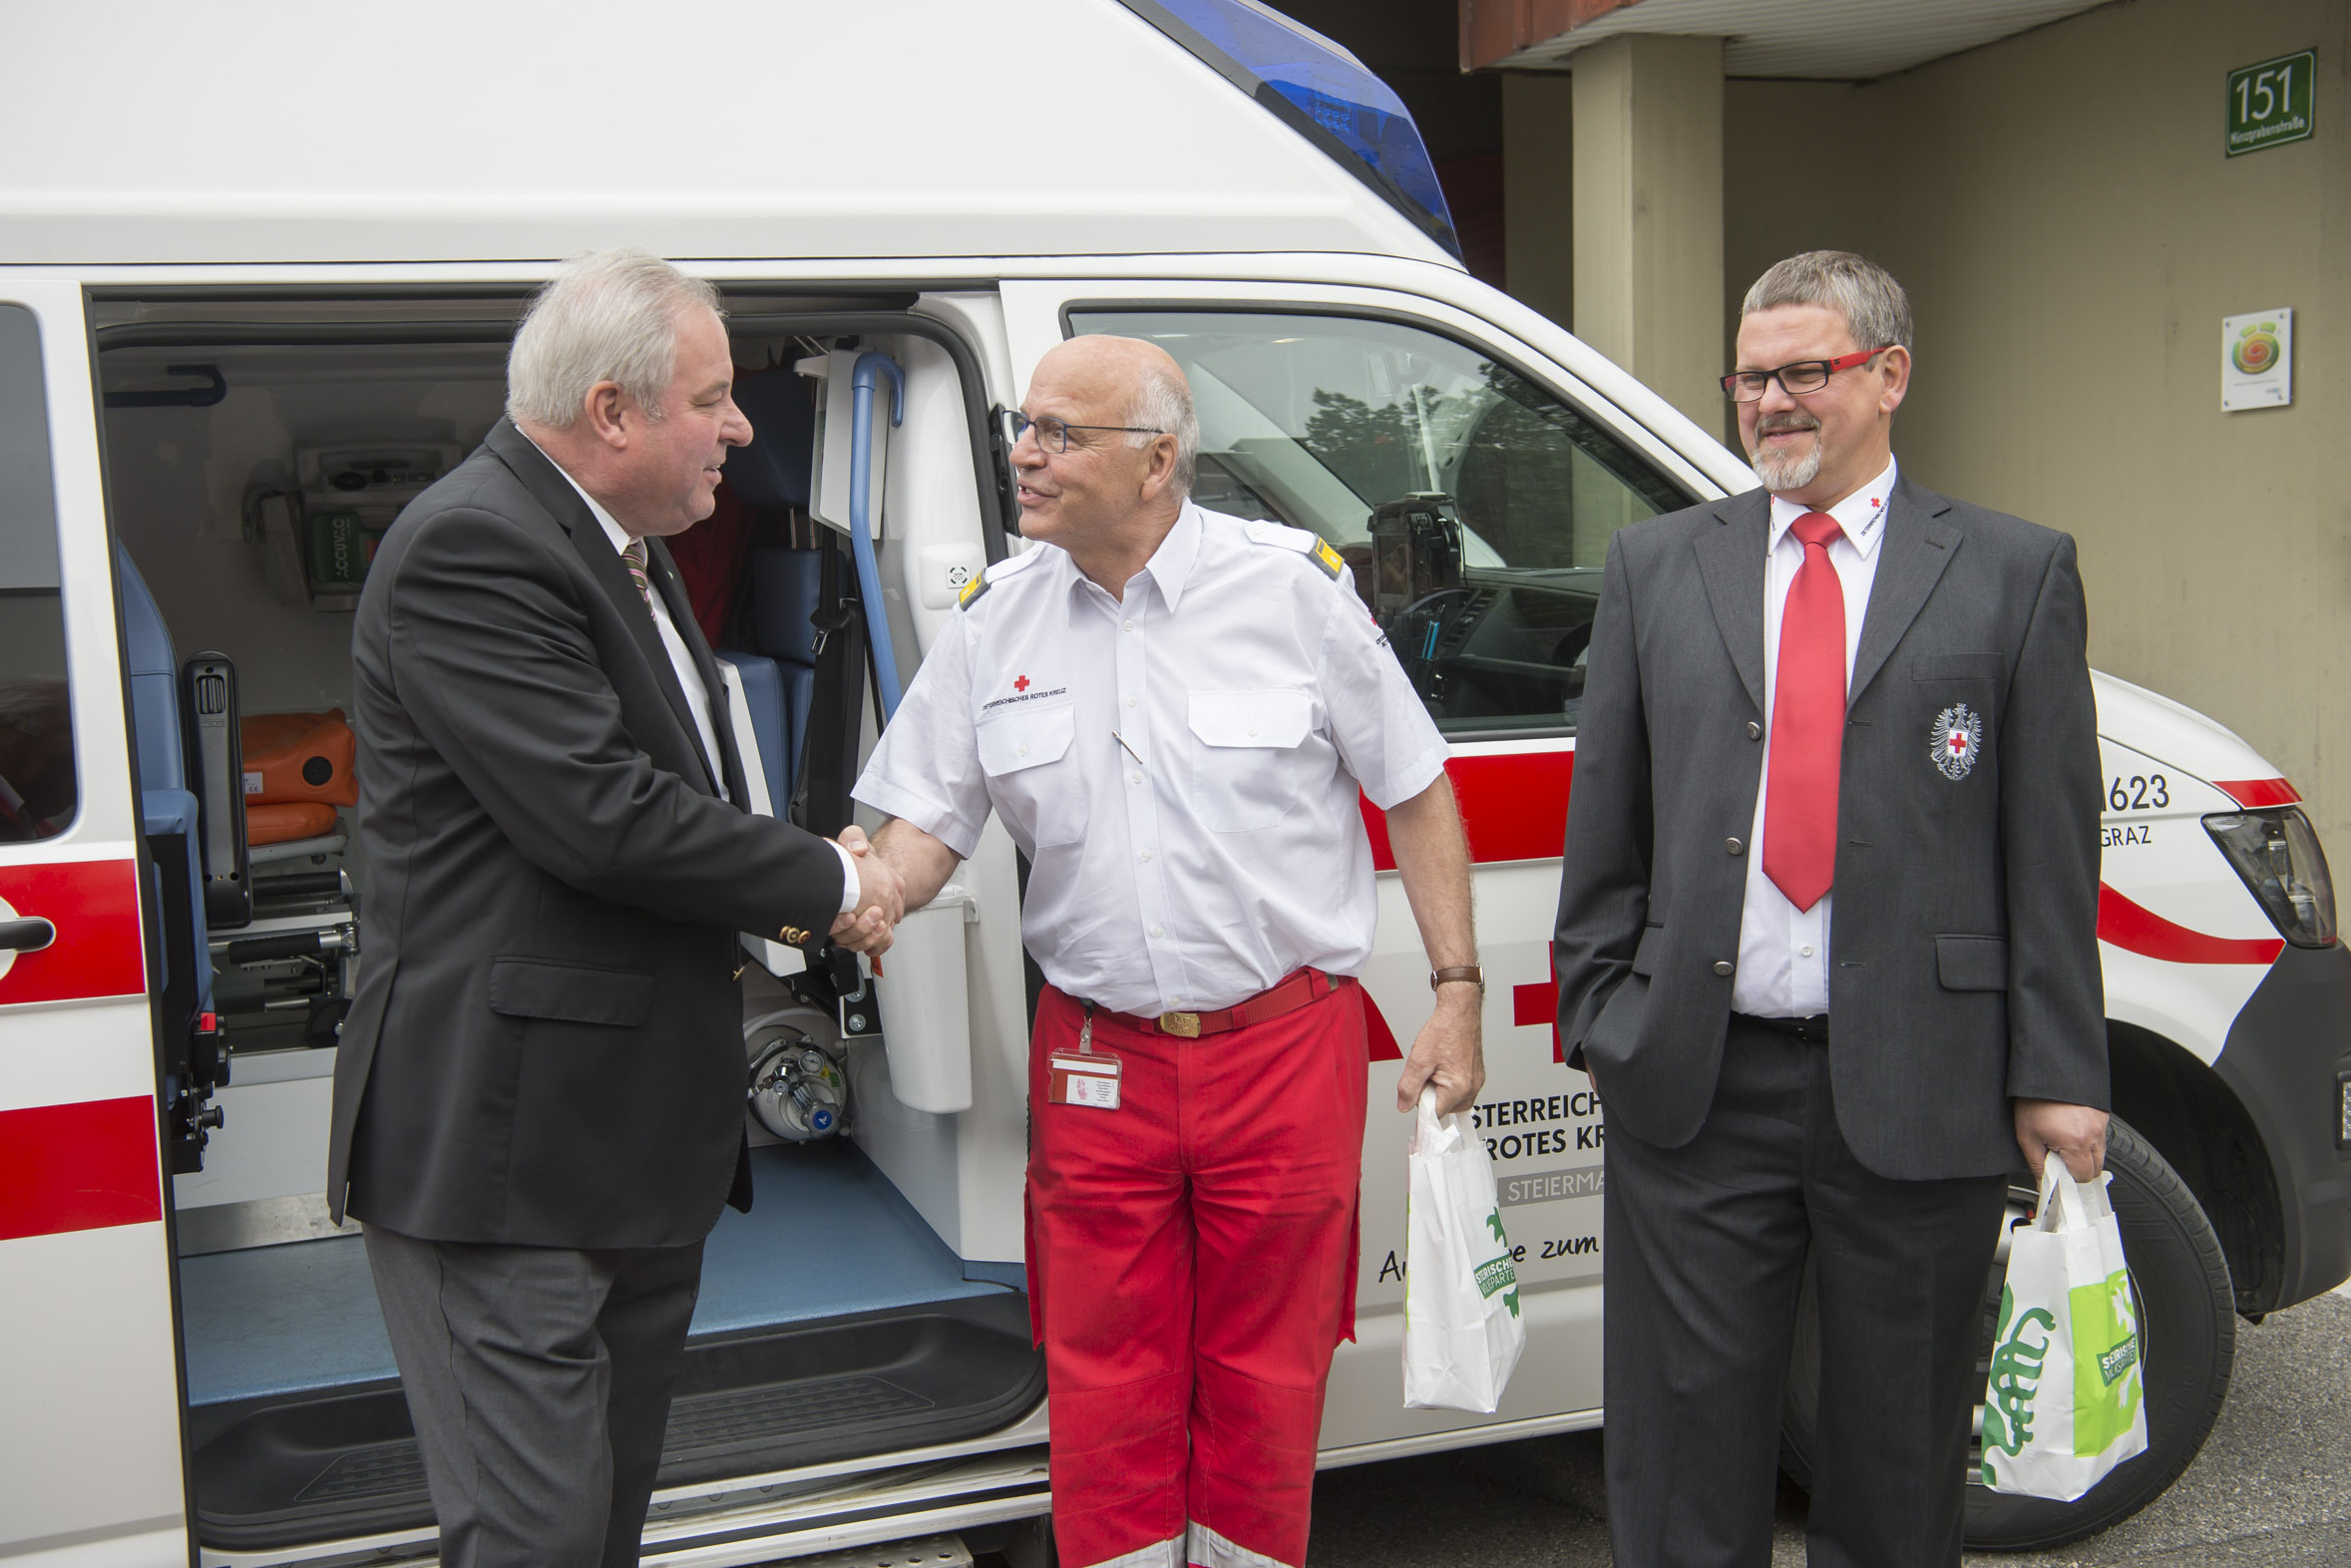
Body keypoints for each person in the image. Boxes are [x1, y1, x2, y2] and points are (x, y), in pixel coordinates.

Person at [849, 334, 1483, 1568]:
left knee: (1267, 1369)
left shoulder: (1290, 590)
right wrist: (866, 888)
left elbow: (1413, 788)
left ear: (1156, 460)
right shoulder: (995, 617)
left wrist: (1455, 990)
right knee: (1102, 1370)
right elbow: (924, 822)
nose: (1024, 456)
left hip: (1281, 1047)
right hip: (1097, 1058)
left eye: (1059, 434)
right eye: (1023, 428)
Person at [326, 249, 900, 1568]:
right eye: (712, 400)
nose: (740, 428)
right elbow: (600, 816)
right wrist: (833, 886)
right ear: (612, 412)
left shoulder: (617, 546)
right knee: (535, 1536)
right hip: (507, 1157)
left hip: (617, 1149)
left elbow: (671, 788)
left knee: (599, 1526)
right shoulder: (477, 545)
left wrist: (802, 865)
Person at [1552, 250, 2109, 1568]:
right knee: (1681, 1459)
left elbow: (2048, 850)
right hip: (1698, 1083)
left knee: (1895, 1464)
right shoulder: (1656, 565)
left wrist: (2057, 1073)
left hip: (1923, 1081)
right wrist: (1602, 1015)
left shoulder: (2011, 571)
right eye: (1749, 378)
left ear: (1889, 374)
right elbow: (1608, 817)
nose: (1769, 402)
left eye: (1803, 372)